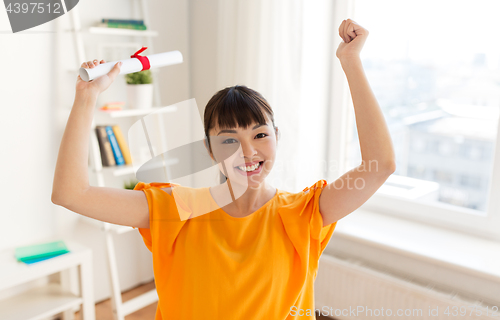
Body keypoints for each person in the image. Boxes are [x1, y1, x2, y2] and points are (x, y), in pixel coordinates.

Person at [52, 19, 395, 320]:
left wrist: (350, 62)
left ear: (277, 137)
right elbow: (71, 194)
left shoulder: (303, 214)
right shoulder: (176, 209)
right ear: (209, 148)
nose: (248, 152)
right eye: (229, 140)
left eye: (260, 135)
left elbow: (379, 166)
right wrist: (86, 98)